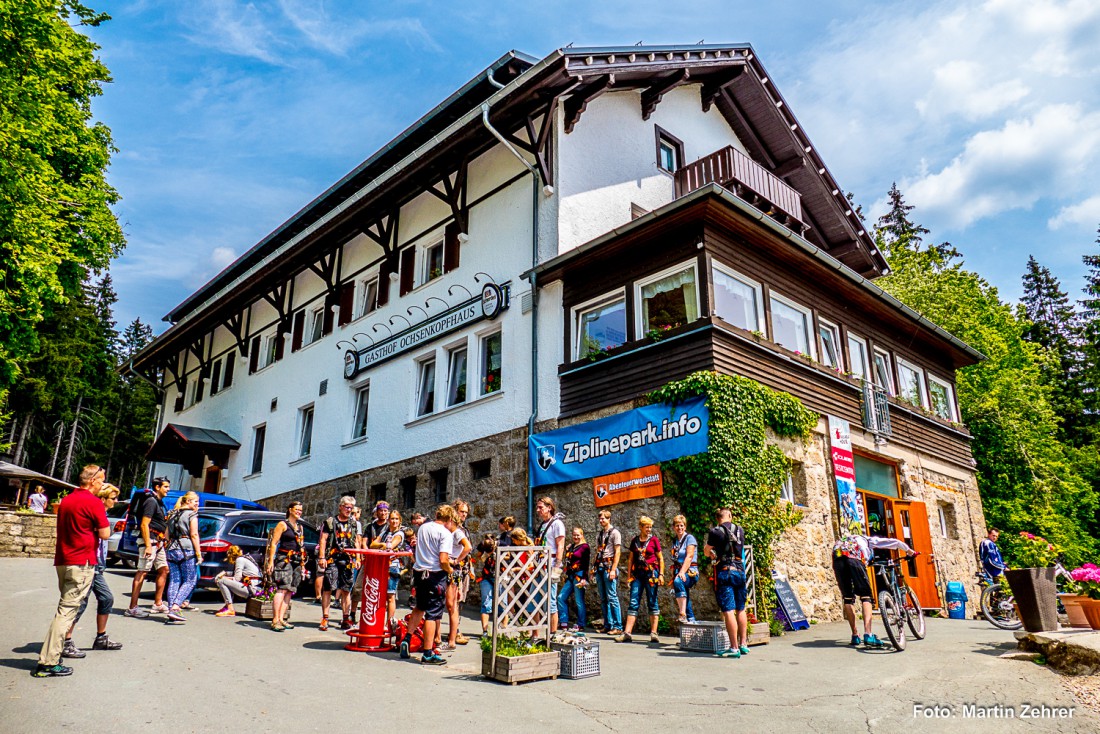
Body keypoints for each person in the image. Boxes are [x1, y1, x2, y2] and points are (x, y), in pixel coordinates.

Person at [33, 465, 111, 678]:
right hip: (82, 562)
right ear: (93, 481)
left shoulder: (67, 500)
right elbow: (105, 533)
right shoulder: (93, 502)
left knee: (64, 609)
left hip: (64, 559)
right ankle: (48, 662)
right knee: (67, 612)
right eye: (101, 480)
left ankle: (51, 657)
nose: (102, 484)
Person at [62, 483, 123, 659]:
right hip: (88, 563)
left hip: (98, 564)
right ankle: (66, 641)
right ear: (103, 498)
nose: (116, 501)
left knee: (106, 598)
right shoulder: (94, 513)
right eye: (113, 498)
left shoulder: (102, 513)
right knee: (80, 603)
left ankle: (101, 638)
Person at [832, 519, 915, 648]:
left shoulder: (844, 539)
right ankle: (868, 634)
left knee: (848, 598)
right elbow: (894, 542)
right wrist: (909, 550)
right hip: (854, 558)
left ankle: (855, 635)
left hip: (837, 559)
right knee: (866, 596)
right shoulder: (867, 540)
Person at [399, 504, 458, 665]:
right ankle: (428, 652)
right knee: (432, 614)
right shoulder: (445, 533)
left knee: (420, 606)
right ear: (450, 519)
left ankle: (407, 638)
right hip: (434, 574)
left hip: (420, 572)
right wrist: (450, 570)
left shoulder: (423, 528)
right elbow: (443, 559)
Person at [125, 477, 171, 618]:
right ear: (157, 487)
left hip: (158, 542)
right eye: (165, 487)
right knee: (143, 571)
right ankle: (132, 608)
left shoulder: (158, 502)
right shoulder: (151, 502)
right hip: (150, 541)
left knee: (164, 569)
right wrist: (148, 546)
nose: (168, 489)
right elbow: (144, 524)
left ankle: (157, 603)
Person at [705, 507, 747, 658]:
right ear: (729, 515)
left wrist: (712, 553)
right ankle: (743, 644)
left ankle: (734, 648)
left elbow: (706, 550)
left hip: (726, 570)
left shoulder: (715, 531)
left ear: (718, 518)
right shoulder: (740, 530)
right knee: (741, 608)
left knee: (729, 609)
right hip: (740, 571)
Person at [616, 516, 663, 644]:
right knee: (633, 601)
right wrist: (629, 576)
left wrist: (661, 574)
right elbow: (631, 559)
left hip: (651, 574)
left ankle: (654, 633)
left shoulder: (654, 540)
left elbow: (660, 558)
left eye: (650, 527)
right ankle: (627, 633)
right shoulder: (635, 541)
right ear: (641, 527)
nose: (649, 529)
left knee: (652, 601)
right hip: (638, 575)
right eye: (647, 527)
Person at [318, 495, 360, 631]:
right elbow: (323, 539)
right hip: (333, 559)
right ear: (340, 507)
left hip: (347, 560)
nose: (349, 510)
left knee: (346, 590)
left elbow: (357, 542)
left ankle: (346, 618)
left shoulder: (353, 524)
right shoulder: (330, 522)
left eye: (351, 508)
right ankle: (325, 618)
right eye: (347, 507)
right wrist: (322, 557)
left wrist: (358, 558)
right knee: (328, 588)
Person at [265, 501, 307, 632]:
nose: (299, 512)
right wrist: (271, 562)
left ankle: (282, 619)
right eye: (297, 509)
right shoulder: (282, 525)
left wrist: (303, 565)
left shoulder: (300, 527)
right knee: (282, 589)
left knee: (290, 590)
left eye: (301, 510)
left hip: (296, 560)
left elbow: (301, 546)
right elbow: (273, 543)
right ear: (290, 510)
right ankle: (275, 619)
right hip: (284, 559)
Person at [164, 491, 202, 625]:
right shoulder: (191, 514)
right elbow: (194, 535)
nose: (197, 504)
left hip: (171, 549)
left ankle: (170, 608)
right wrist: (198, 553)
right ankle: (176, 606)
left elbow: (166, 534)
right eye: (195, 502)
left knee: (174, 580)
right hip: (186, 549)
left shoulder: (172, 513)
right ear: (188, 501)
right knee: (190, 580)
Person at [439, 499, 473, 651]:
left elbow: (468, 547)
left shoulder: (458, 531)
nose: (464, 515)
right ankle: (439, 637)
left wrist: (455, 560)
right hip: (449, 569)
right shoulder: (451, 530)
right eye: (461, 511)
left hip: (454, 570)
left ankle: (451, 638)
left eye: (466, 512)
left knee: (452, 605)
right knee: (446, 604)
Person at [369, 508, 407, 631]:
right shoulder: (385, 532)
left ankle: (389, 623)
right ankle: (379, 622)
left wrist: (383, 545)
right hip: (382, 566)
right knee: (381, 595)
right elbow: (372, 544)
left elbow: (392, 545)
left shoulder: (399, 533)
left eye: (396, 519)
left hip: (393, 566)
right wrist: (382, 545)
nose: (394, 521)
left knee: (390, 595)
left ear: (400, 520)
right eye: (392, 518)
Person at [533, 496, 566, 633]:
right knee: (534, 599)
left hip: (550, 564)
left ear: (549, 507)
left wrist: (557, 567)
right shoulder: (543, 525)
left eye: (541, 507)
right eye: (537, 507)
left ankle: (552, 634)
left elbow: (560, 545)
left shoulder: (557, 524)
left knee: (551, 601)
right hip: (540, 564)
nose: (538, 510)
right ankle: (535, 634)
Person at [594, 510, 623, 635]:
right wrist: (593, 567)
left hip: (609, 566)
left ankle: (618, 626)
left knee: (612, 597)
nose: (601, 521)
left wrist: (613, 569)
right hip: (600, 566)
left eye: (603, 519)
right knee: (603, 598)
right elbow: (597, 551)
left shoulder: (615, 533)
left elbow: (617, 552)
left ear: (609, 519)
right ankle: (608, 624)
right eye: (600, 519)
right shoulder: (600, 534)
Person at [214, 546, 263, 616]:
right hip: (257, 588)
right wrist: (226, 573)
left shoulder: (240, 560)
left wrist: (224, 577)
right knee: (226, 581)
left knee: (221, 580)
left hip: (252, 589)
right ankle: (227, 606)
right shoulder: (246, 558)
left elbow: (237, 578)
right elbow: (238, 574)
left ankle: (230, 608)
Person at [558, 527, 590, 631]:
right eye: (574, 535)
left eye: (578, 535)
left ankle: (581, 624)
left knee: (579, 600)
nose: (576, 537)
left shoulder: (585, 547)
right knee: (561, 597)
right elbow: (568, 560)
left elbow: (586, 564)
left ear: (582, 535)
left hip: (579, 575)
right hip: (570, 576)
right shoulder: (571, 546)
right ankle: (563, 622)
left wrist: (584, 579)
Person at [669, 515, 699, 623]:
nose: (679, 528)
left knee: (679, 582)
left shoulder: (689, 538)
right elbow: (675, 560)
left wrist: (682, 572)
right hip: (678, 571)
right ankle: (691, 624)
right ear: (674, 527)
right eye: (677, 526)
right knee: (685, 599)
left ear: (685, 527)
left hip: (691, 571)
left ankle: (682, 614)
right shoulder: (675, 541)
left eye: (681, 526)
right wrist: (674, 576)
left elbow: (689, 556)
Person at [473, 534, 497, 635]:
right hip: (487, 576)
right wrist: (485, 555)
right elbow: (479, 557)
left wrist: (495, 555)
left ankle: (502, 632)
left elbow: (508, 556)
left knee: (503, 605)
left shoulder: (500, 545)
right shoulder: (483, 545)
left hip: (500, 576)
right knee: (486, 603)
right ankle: (485, 631)